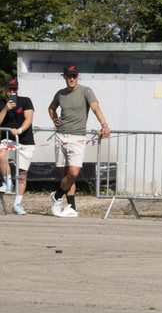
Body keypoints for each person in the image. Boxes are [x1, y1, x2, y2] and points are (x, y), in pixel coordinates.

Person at [46, 66, 109, 218]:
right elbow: (51, 108)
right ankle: (72, 207)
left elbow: (95, 108)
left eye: (74, 76)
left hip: (77, 137)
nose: (72, 79)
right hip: (61, 135)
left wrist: (104, 124)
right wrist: (54, 119)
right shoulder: (60, 94)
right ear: (64, 77)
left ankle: (57, 195)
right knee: (66, 174)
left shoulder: (86, 91)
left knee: (73, 173)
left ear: (78, 77)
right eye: (69, 76)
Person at [2, 78, 35, 214]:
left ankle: (17, 204)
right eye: (10, 89)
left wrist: (20, 130)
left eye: (14, 89)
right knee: (0, 153)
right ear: (4, 90)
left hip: (25, 141)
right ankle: (8, 182)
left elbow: (29, 118)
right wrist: (5, 109)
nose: (12, 92)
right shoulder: (1, 104)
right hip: (8, 139)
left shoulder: (25, 101)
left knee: (22, 173)